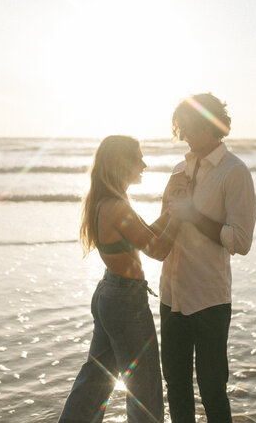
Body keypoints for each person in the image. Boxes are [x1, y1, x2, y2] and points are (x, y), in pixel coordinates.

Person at [58, 135, 185, 423]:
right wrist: (179, 216)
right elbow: (158, 249)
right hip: (126, 303)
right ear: (121, 163)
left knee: (95, 381)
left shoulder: (107, 202)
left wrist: (168, 212)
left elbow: (146, 235)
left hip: (109, 295)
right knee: (145, 386)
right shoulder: (117, 206)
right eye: (137, 158)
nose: (144, 164)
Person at [159, 93, 256, 423]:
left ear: (214, 126)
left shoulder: (235, 172)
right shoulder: (178, 169)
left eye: (190, 126)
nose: (184, 134)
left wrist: (193, 215)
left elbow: (241, 241)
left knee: (213, 388)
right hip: (171, 294)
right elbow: (166, 225)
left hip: (208, 299)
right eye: (181, 127)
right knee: (175, 386)